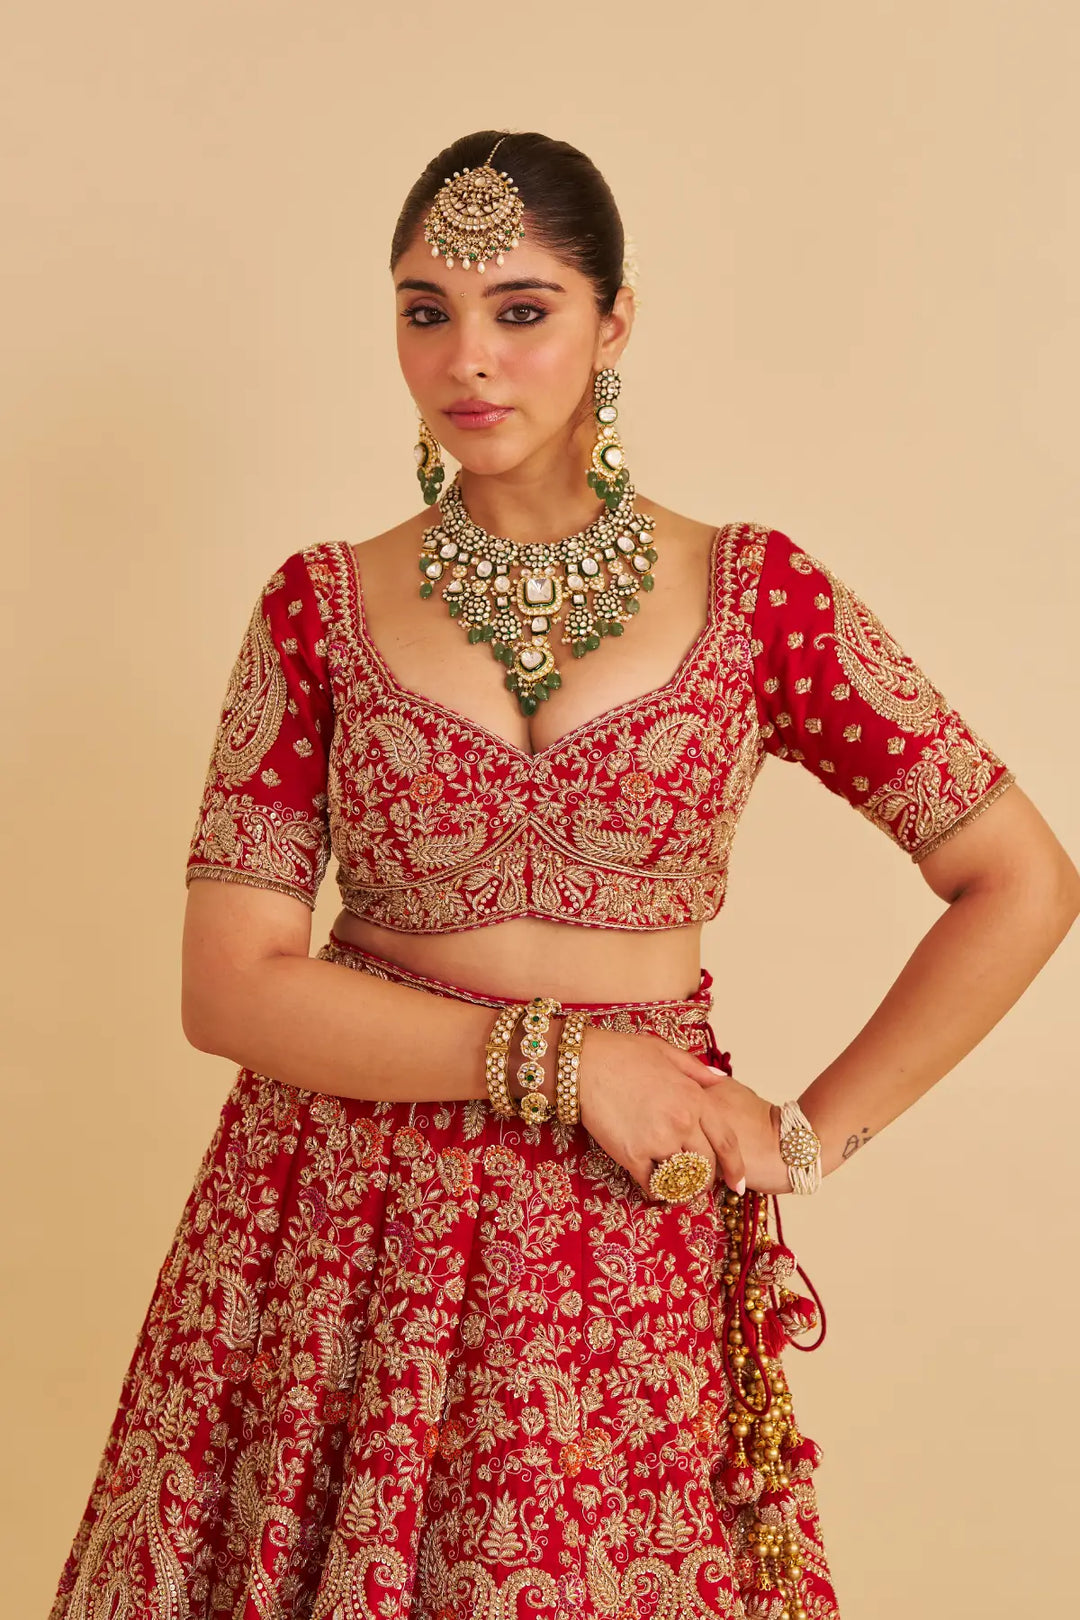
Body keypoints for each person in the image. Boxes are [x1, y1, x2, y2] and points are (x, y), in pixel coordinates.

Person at [49, 129, 1077, 1620]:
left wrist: (808, 1137)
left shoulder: (756, 598)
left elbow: (1020, 879)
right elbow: (231, 986)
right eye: (426, 311)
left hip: (622, 1230)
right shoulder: (318, 609)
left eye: (522, 309)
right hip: (336, 1224)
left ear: (615, 321)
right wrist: (557, 1058)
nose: (470, 358)